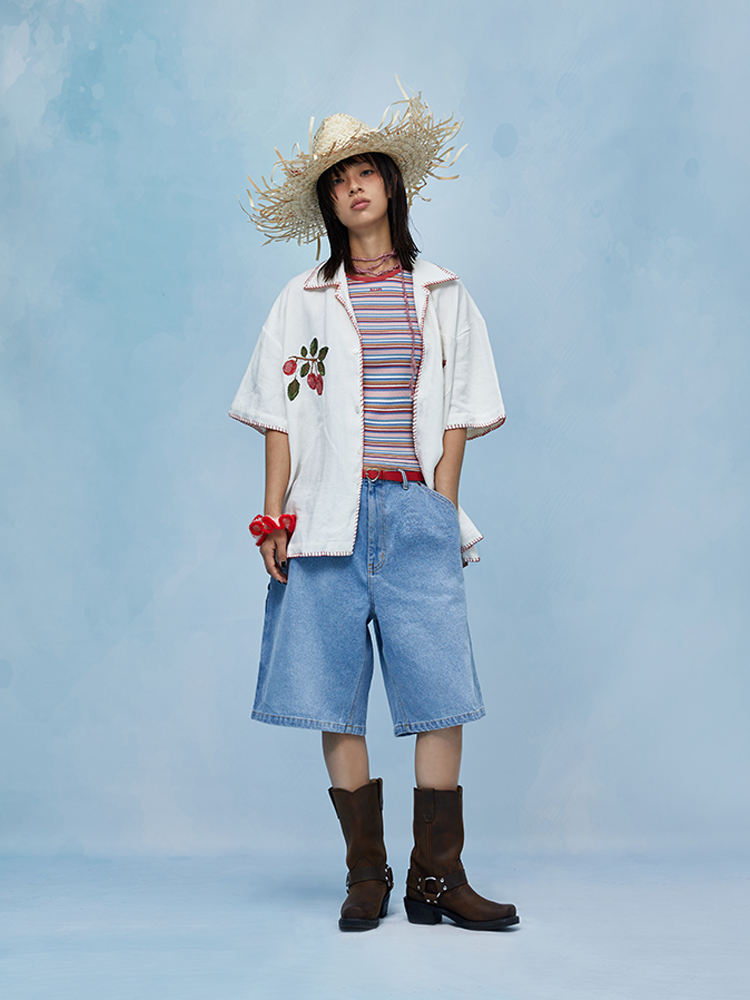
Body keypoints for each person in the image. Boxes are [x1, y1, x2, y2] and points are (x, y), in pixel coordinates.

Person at [230, 87, 519, 932]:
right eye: (337, 179)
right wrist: (272, 515)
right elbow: (281, 416)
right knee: (334, 696)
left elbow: (460, 407)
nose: (353, 187)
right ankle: (367, 874)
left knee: (440, 693)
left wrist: (442, 501)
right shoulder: (301, 299)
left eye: (365, 172)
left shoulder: (442, 290)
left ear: (391, 184)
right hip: (325, 517)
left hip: (413, 507)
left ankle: (438, 878)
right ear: (327, 202)